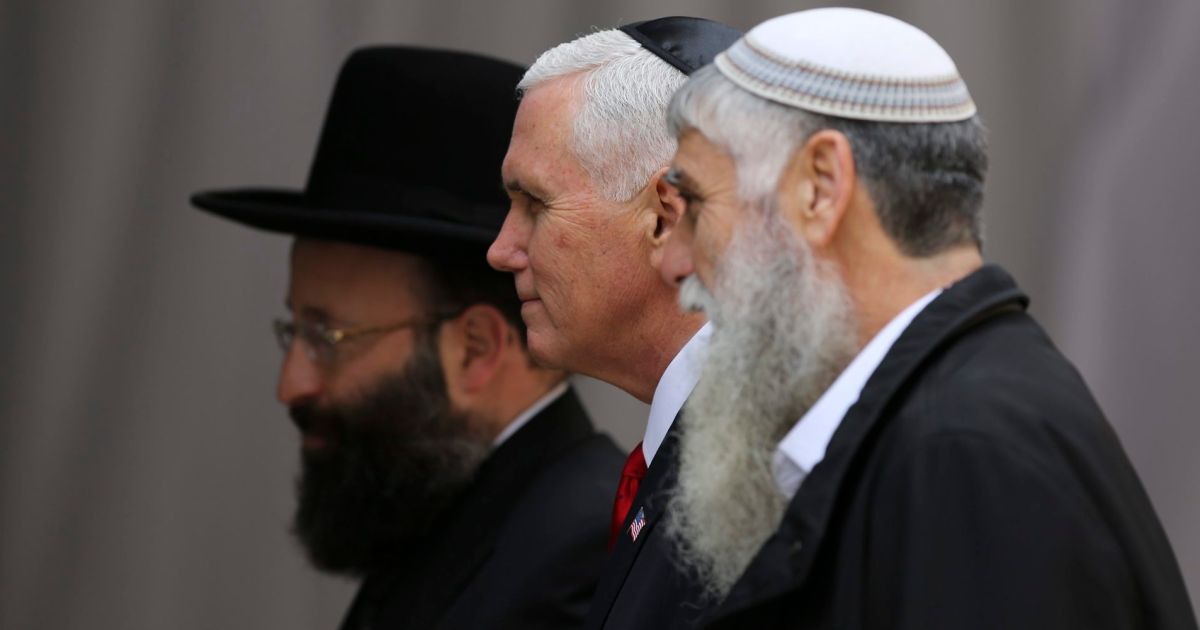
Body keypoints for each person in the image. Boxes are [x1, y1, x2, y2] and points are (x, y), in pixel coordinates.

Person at [657, 8, 1198, 629]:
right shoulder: (954, 414)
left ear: (821, 187)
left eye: (694, 202)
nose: (674, 261)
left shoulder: (964, 452)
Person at [191, 46, 623, 629]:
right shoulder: (445, 513)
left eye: (327, 336)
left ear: (475, 349)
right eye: (295, 328)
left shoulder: (581, 561)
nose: (290, 385)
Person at [487, 16, 740, 630]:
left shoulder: (769, 475)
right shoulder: (712, 447)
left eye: (534, 204)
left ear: (665, 219)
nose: (501, 250)